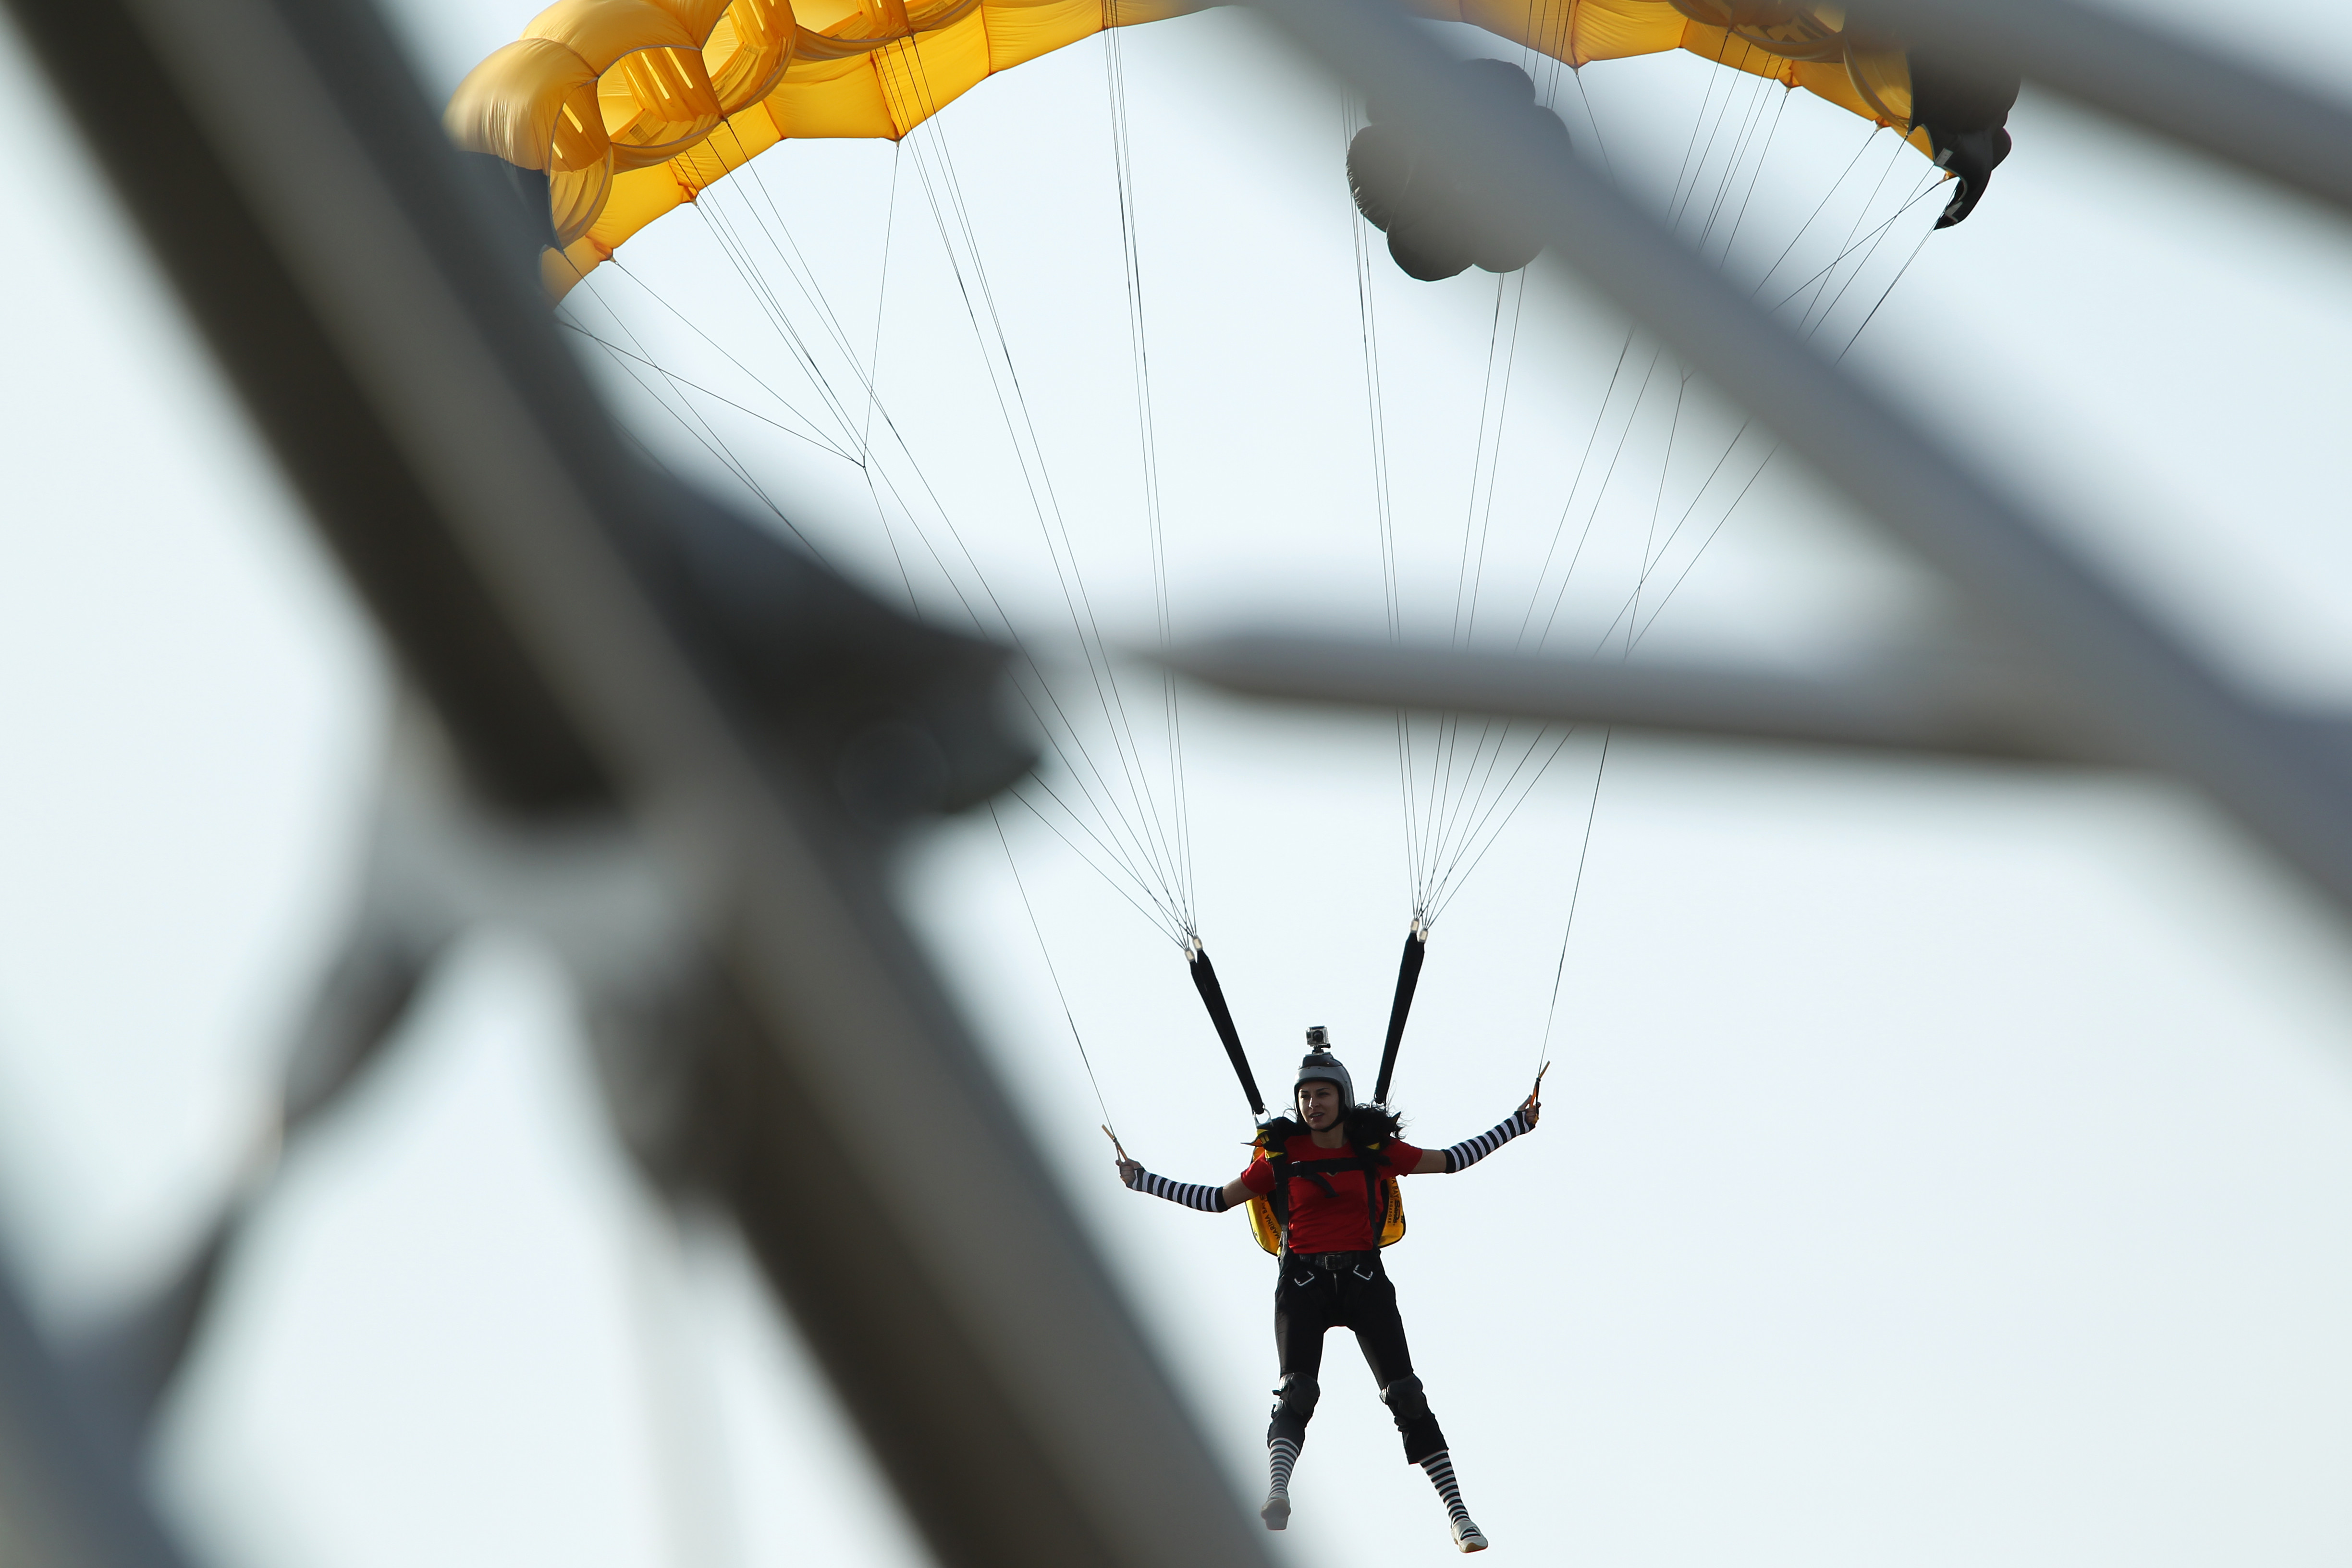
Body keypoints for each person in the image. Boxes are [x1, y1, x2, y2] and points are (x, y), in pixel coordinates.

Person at [1115, 1033, 1541, 1553]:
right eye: (1304, 1097)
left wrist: (1517, 1124)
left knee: (1406, 1394)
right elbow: (1217, 1199)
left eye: (1322, 1095)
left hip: (1364, 1280)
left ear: (1342, 1098)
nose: (1312, 1105)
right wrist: (1144, 1181)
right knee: (1296, 1391)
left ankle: (1458, 1515)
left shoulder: (1373, 1152)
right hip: (1303, 1284)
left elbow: (1452, 1160)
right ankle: (1277, 1490)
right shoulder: (1282, 1157)